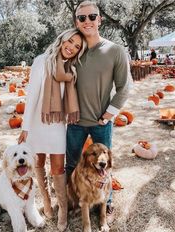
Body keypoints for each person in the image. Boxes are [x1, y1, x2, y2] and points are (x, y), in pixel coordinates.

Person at [65, 1, 131, 223]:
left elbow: (124, 87)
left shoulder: (115, 51)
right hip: (75, 122)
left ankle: (107, 202)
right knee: (73, 164)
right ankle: (73, 202)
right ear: (76, 22)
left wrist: (108, 115)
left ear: (100, 19)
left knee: (106, 165)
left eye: (92, 16)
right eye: (81, 18)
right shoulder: (73, 50)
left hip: (101, 122)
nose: (87, 21)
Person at [18, 28, 86, 231]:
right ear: (62, 39)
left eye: (77, 47)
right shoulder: (42, 61)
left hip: (57, 124)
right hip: (38, 122)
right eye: (70, 42)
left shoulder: (71, 69)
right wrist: (25, 127)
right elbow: (32, 97)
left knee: (57, 167)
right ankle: (47, 202)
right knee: (37, 163)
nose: (71, 48)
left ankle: (62, 210)